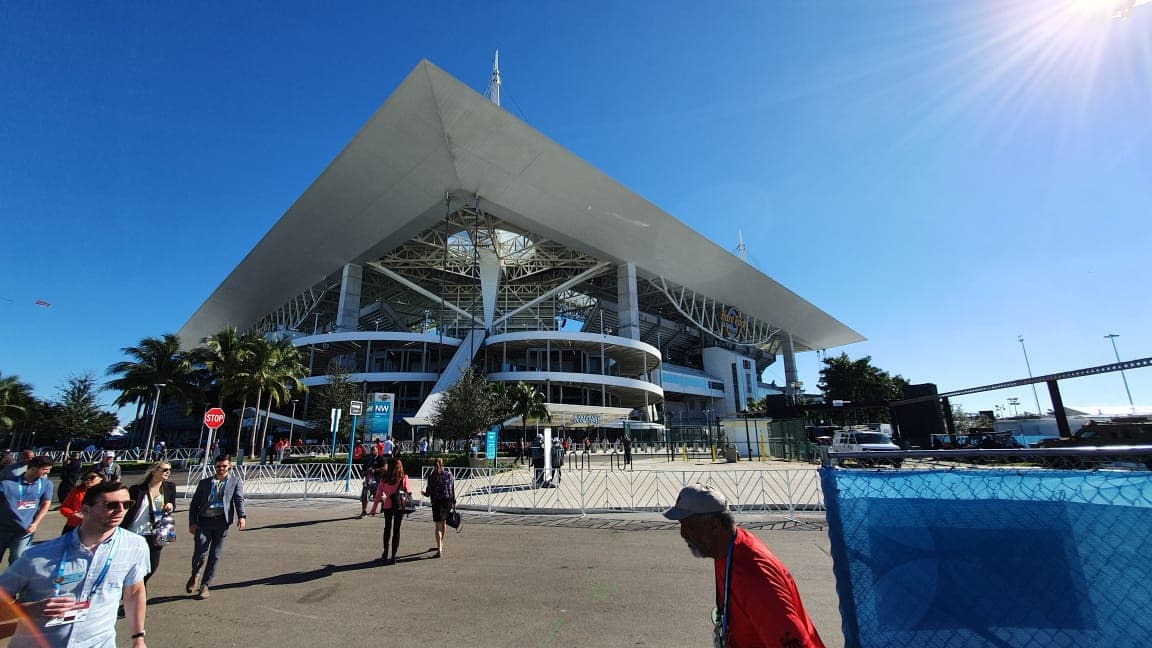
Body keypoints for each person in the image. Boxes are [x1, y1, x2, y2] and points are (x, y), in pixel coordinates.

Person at [664, 484, 825, 648]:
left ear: (714, 526)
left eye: (689, 526)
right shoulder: (726, 549)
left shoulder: (753, 576)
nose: (682, 534)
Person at [0, 481, 150, 648]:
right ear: (85, 510)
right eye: (111, 505)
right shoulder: (38, 556)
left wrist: (138, 638)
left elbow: (134, 592)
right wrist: (26, 610)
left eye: (127, 504)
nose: (121, 510)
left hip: (99, 643)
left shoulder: (135, 546)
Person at [187, 455, 246, 599]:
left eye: (224, 466)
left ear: (229, 466)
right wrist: (192, 522)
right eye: (218, 466)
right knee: (200, 552)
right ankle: (195, 574)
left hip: (221, 522)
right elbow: (194, 504)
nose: (221, 469)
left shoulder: (235, 481)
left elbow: (238, 499)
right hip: (204, 521)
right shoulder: (205, 483)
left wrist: (242, 516)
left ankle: (205, 586)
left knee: (215, 555)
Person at [122, 462, 177, 584]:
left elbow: (172, 505)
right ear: (154, 471)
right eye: (165, 470)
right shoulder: (137, 490)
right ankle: (135, 590)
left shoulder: (169, 487)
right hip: (135, 532)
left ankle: (139, 587)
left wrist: (170, 506)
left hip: (156, 533)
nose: (168, 472)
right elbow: (127, 510)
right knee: (133, 567)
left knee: (151, 567)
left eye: (169, 469)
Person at [0, 456, 54, 565]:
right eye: (45, 469)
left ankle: (13, 576)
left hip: (24, 531)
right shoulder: (6, 484)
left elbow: (46, 503)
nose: (48, 472)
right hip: (3, 529)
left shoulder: (46, 484)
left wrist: (35, 523)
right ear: (33, 469)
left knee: (18, 560)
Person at [371, 458, 410, 564]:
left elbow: (378, 495)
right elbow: (407, 491)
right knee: (396, 530)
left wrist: (373, 509)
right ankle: (394, 555)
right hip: (399, 506)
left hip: (387, 505)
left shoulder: (384, 478)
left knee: (387, 528)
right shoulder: (403, 477)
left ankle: (385, 552)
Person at [421, 457, 455, 558]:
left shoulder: (432, 476)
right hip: (447, 501)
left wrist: (423, 493)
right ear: (443, 464)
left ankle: (439, 548)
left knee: (438, 526)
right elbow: (452, 488)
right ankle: (441, 542)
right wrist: (454, 500)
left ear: (434, 465)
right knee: (444, 523)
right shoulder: (448, 474)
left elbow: (428, 493)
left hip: (437, 502)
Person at [60, 469, 105, 535]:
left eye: (92, 478)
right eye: (86, 478)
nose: (88, 480)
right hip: (74, 525)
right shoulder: (77, 491)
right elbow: (64, 507)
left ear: (101, 479)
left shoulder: (104, 493)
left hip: (94, 526)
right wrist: (72, 514)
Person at [358, 446, 386, 519]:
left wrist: (375, 470)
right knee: (365, 496)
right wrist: (364, 472)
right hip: (368, 481)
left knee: (378, 496)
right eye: (372, 450)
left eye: (374, 450)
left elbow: (385, 468)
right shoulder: (368, 460)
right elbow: (363, 469)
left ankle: (384, 503)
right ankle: (364, 512)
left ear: (377, 451)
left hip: (377, 481)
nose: (373, 452)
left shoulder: (381, 458)